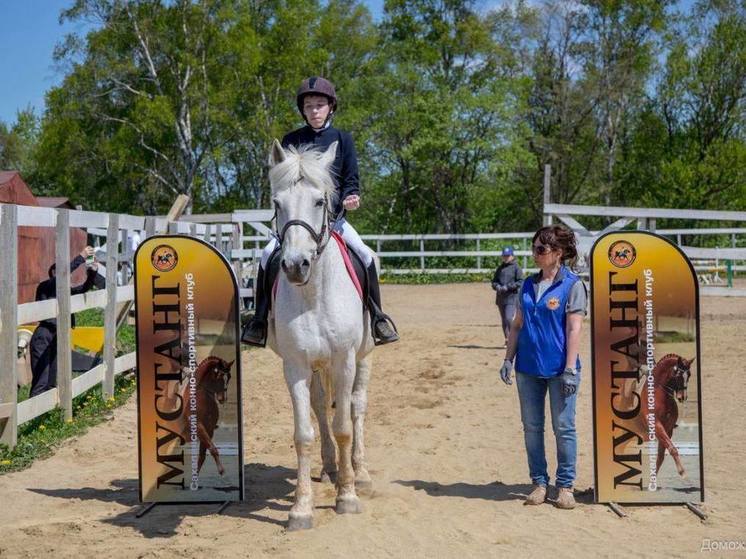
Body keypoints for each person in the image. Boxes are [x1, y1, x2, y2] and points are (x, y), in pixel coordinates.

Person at [241, 76, 399, 347]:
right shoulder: (291, 140)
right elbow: (284, 182)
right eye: (309, 106)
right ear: (303, 110)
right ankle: (258, 321)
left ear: (330, 108)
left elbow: (351, 177)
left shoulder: (342, 139)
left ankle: (376, 317)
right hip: (297, 222)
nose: (314, 110)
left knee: (365, 255)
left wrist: (351, 196)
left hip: (333, 220)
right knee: (267, 256)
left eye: (319, 105)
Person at [499, 225, 587, 510]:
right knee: (532, 427)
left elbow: (574, 329)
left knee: (564, 427)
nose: (534, 254)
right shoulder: (527, 285)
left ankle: (565, 486)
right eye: (534, 248)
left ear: (557, 253)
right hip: (528, 368)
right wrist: (508, 359)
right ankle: (539, 482)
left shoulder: (572, 285)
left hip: (561, 369)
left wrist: (571, 368)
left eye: (540, 249)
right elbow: (516, 325)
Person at [29, 246, 100, 397]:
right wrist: (81, 256)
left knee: (51, 381)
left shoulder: (65, 292)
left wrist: (92, 271)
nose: (65, 276)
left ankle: (46, 416)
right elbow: (61, 277)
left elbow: (84, 288)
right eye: (61, 272)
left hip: (57, 336)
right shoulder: (45, 287)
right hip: (44, 335)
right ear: (53, 274)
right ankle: (34, 416)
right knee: (41, 380)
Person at [491, 246, 523, 345]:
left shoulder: (516, 268)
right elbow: (494, 281)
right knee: (504, 319)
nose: (506, 258)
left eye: (508, 256)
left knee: (509, 318)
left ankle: (515, 337)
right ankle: (507, 339)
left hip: (512, 297)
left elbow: (520, 281)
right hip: (501, 297)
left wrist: (508, 287)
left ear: (512, 256)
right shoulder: (500, 268)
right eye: (504, 256)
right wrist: (497, 286)